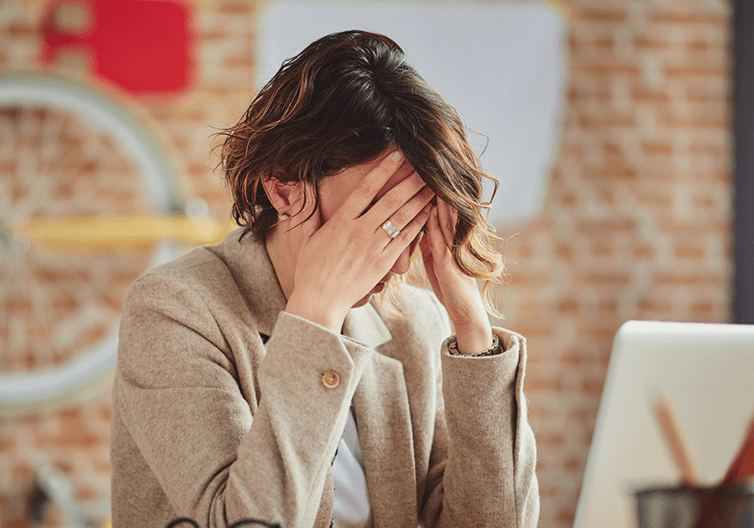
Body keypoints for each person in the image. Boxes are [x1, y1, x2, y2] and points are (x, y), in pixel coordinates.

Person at [110, 30, 539, 528]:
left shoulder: (412, 325)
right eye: (378, 217)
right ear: (284, 187)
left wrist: (473, 333)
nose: (400, 265)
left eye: (411, 223)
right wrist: (315, 317)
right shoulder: (174, 311)